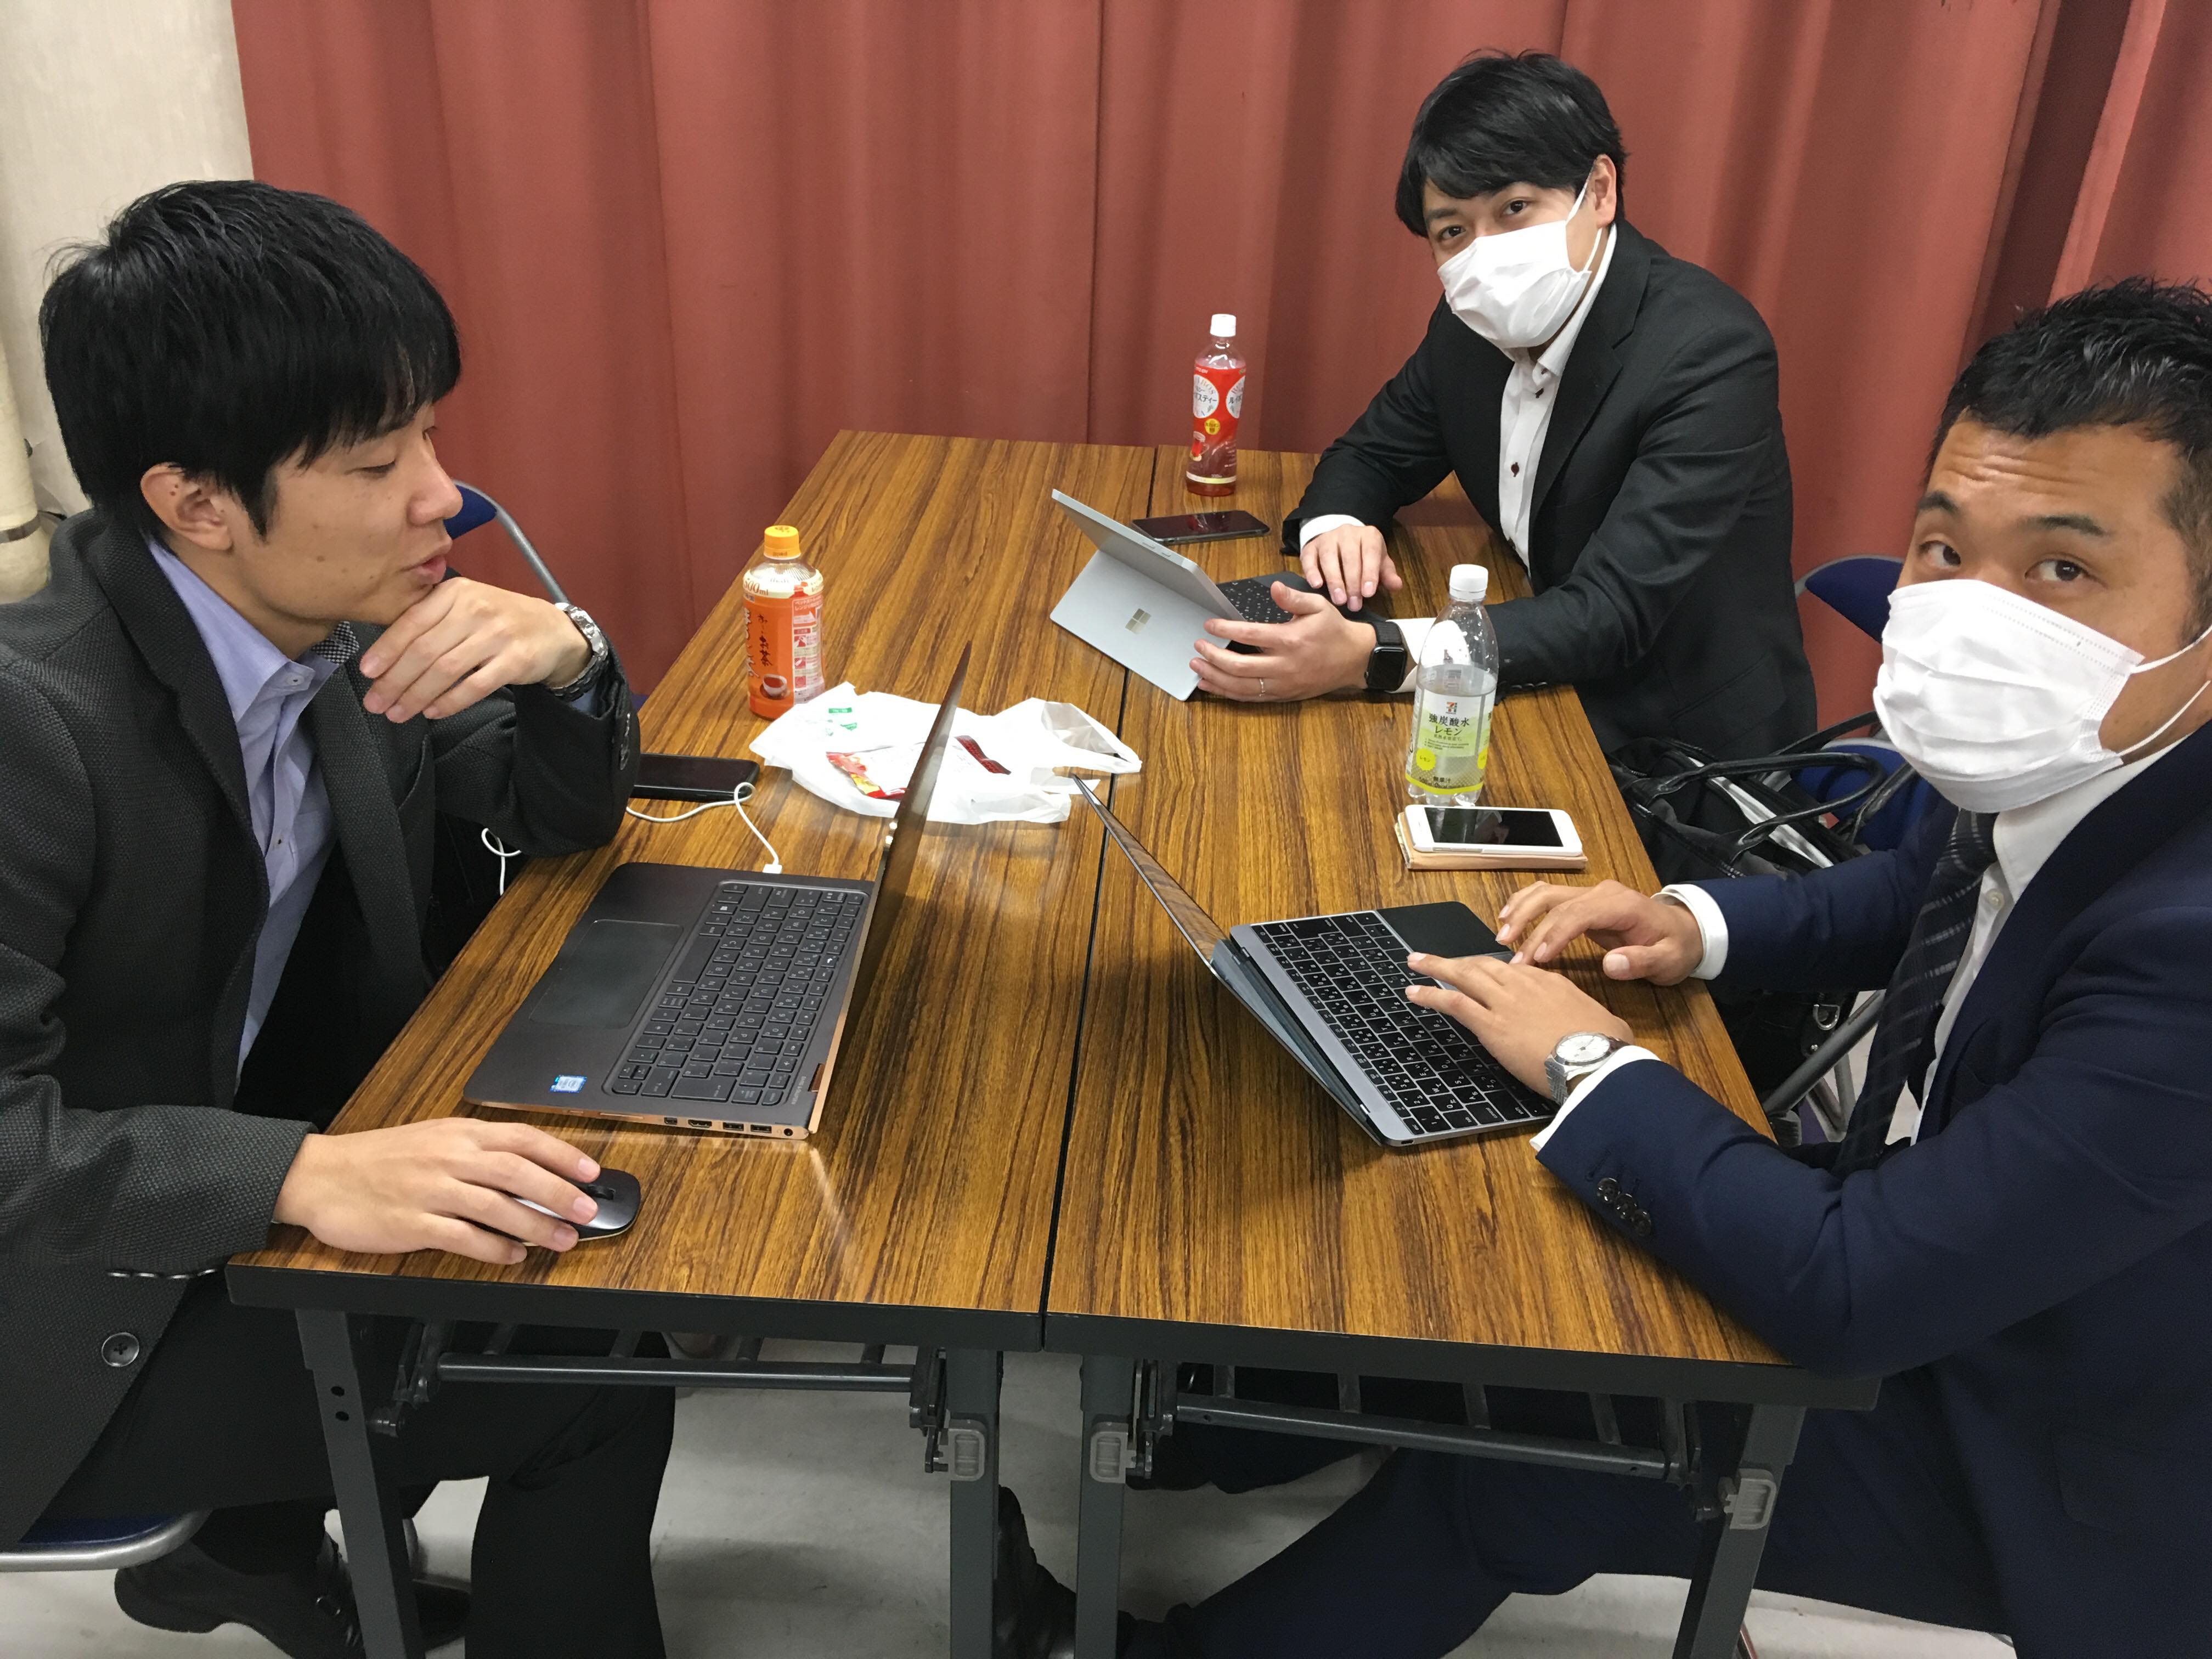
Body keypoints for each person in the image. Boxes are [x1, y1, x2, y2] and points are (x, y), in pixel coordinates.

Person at [1105, 279, 2212, 1658]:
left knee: (1545, 1450)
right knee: (1518, 1229)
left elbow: (1859, 1291)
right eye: (1943, 547)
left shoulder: (2191, 950)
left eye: (2062, 571)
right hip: (1957, 1229)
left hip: (2060, 1439)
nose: (1972, 613)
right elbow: (1925, 890)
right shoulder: (2079, 755)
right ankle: (1221, 1432)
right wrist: (1695, 923)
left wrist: (1590, 1060)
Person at [2, 180, 670, 1658]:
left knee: (563, 1245)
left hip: (206, 1180)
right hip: (52, 1314)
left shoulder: (326, 624)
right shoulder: (32, 724)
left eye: (427, 433)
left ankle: (244, 1551)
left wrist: (569, 661)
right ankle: (248, 1533)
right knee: (595, 1372)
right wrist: (303, 1174)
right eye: (379, 460)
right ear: (196, 504)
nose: (444, 495)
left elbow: (530, 827)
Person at [1189, 50, 1814, 763]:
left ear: (1599, 191)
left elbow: (1613, 613)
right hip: (1531, 675)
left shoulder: (1710, 351)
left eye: (1514, 209)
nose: (1484, 257)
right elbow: (1372, 453)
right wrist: (1340, 528)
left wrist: (1372, 654)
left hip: (1674, 742)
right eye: (1453, 232)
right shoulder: (1472, 323)